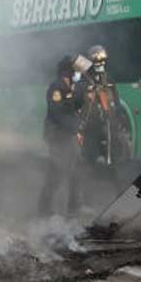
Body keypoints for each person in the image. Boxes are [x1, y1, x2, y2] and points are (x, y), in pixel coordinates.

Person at [38, 54, 89, 215]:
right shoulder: (56, 87)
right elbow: (57, 113)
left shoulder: (72, 86)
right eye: (77, 71)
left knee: (76, 168)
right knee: (57, 171)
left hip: (70, 134)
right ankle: (45, 209)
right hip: (57, 134)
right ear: (68, 71)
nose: (79, 74)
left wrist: (83, 89)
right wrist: (75, 128)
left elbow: (77, 105)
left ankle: (75, 206)